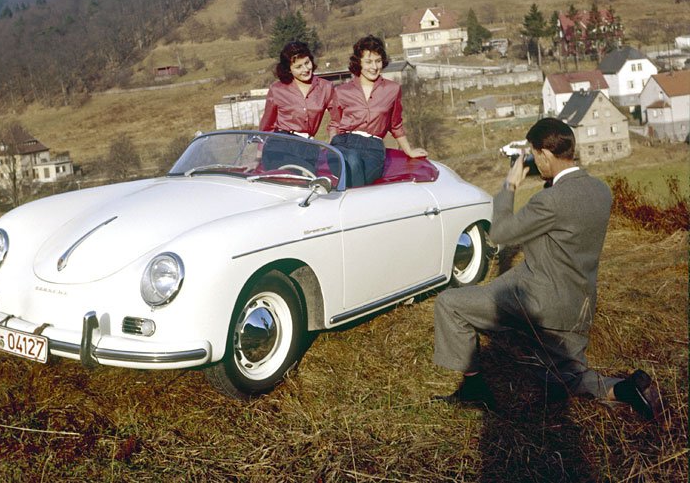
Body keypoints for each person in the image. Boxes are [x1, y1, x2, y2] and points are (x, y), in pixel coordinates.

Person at [432, 117, 662, 419]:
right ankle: (624, 390)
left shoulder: (549, 201)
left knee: (450, 304)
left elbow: (499, 232)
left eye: (534, 154)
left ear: (543, 154)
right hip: (578, 304)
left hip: (540, 301)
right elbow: (567, 214)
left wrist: (509, 185)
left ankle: (473, 389)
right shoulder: (600, 191)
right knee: (563, 377)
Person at [329, 35, 427, 187]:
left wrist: (409, 151)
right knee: (352, 160)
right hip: (344, 143)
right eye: (368, 62)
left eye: (378, 61)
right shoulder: (342, 91)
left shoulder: (392, 89)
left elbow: (395, 125)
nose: (374, 67)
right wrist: (331, 149)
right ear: (358, 63)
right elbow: (335, 123)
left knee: (357, 178)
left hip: (373, 148)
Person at [258, 40, 334, 172]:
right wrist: (257, 158)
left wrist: (334, 143)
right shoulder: (277, 89)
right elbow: (266, 126)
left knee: (307, 181)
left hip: (308, 147)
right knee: (286, 179)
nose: (305, 69)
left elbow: (338, 120)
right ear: (289, 69)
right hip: (279, 145)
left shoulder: (326, 87)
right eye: (298, 67)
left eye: (307, 63)